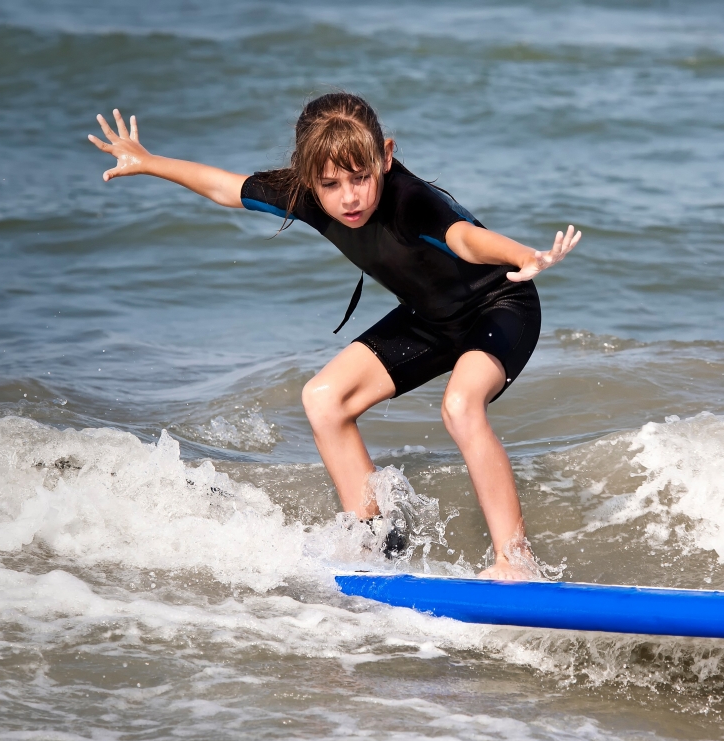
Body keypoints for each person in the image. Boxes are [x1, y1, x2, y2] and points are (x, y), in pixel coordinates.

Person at [89, 94, 580, 580]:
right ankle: (376, 542)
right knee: (324, 399)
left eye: (361, 177)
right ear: (308, 181)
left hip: (500, 305)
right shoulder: (305, 195)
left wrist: (521, 255)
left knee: (460, 406)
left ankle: (516, 562)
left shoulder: (410, 200)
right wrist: (150, 163)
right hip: (431, 318)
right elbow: (226, 187)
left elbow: (462, 238)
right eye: (331, 184)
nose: (349, 196)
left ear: (384, 156)